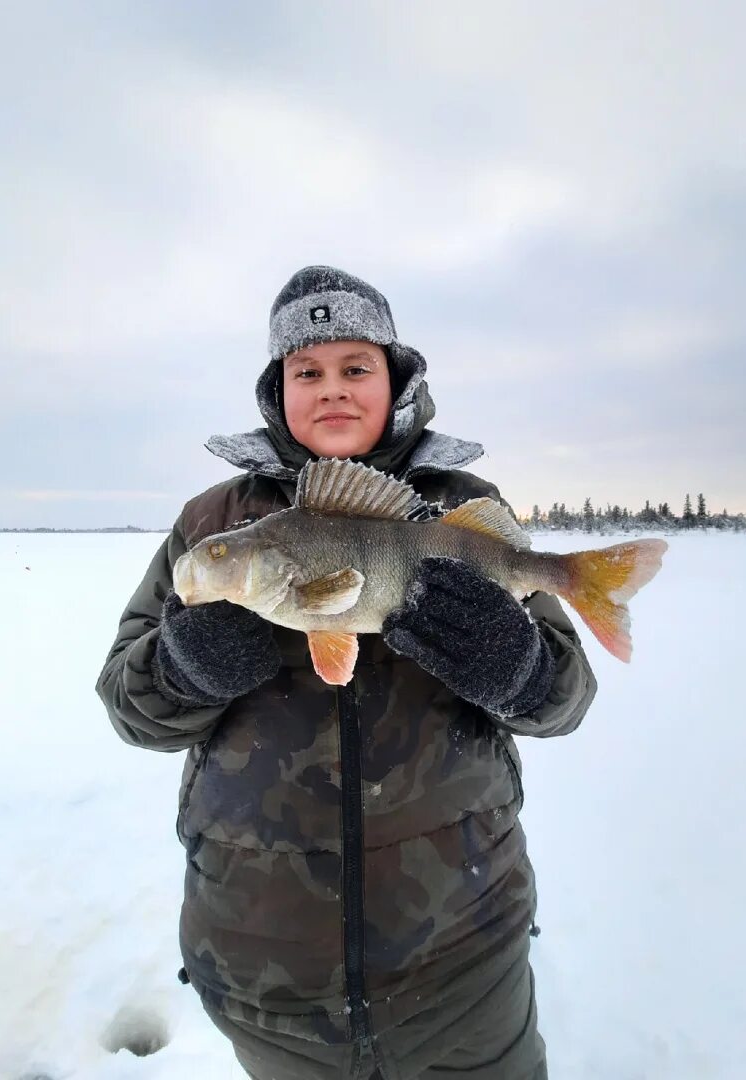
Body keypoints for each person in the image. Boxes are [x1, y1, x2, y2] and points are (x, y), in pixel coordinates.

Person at [96, 266, 597, 1080]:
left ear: (395, 381)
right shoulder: (213, 523)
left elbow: (566, 698)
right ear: (276, 391)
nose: (332, 390)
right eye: (307, 371)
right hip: (267, 972)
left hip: (463, 956)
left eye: (355, 368)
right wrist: (183, 668)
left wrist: (519, 666)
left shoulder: (459, 507)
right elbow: (127, 704)